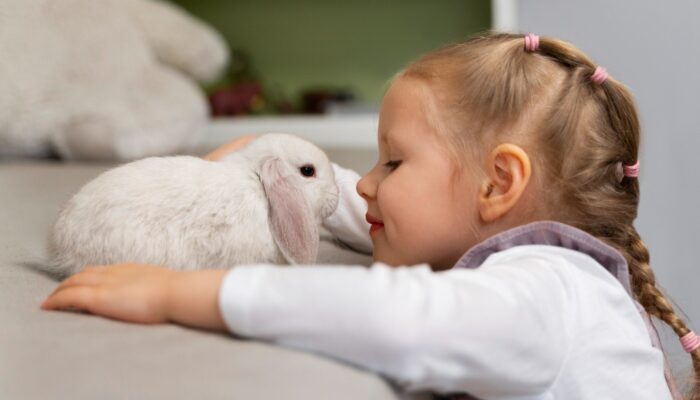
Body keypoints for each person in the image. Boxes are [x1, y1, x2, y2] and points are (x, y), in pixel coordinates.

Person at [40, 32, 698, 399]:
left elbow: (398, 314)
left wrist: (185, 292)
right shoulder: (515, 253)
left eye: (393, 162)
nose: (370, 186)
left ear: (500, 182)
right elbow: (371, 209)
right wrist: (259, 165)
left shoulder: (550, 291)